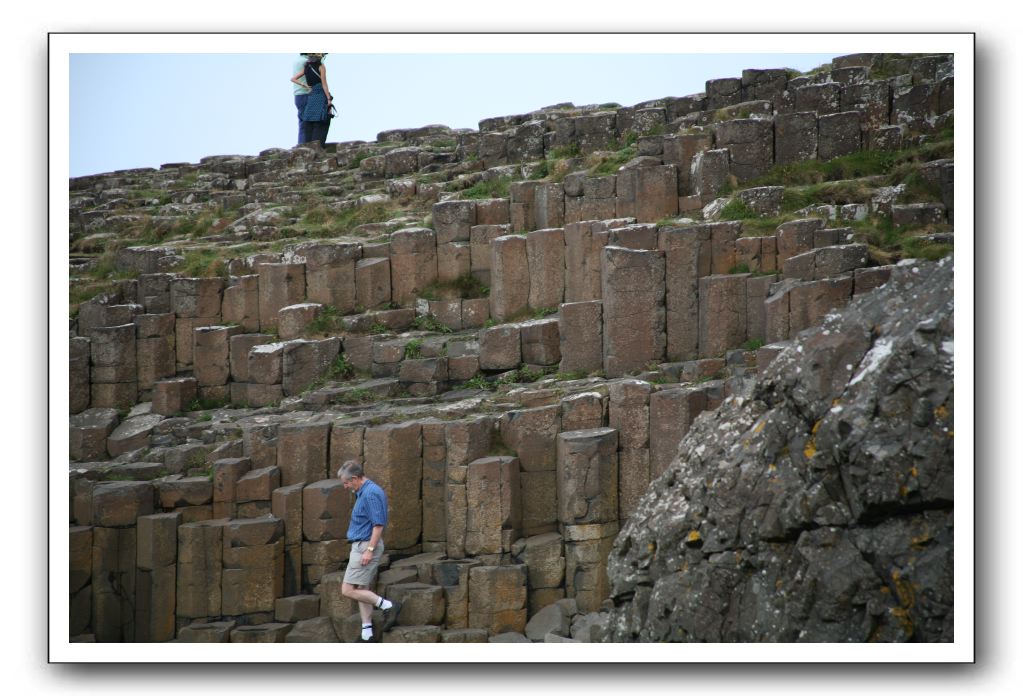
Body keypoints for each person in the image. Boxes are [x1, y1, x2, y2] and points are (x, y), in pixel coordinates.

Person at [338, 460, 401, 642]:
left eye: (347, 482)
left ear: (356, 478)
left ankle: (388, 606)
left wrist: (369, 550)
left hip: (365, 546)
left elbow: (378, 524)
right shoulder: (362, 491)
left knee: (347, 590)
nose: (345, 486)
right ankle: (367, 632)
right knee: (361, 587)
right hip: (361, 545)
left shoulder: (371, 493)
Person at [291, 53, 333, 147]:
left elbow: (293, 79)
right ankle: (318, 145)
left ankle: (305, 146)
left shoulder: (306, 66)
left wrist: (305, 85)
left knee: (309, 120)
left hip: (311, 93)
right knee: (322, 118)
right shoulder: (321, 66)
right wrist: (329, 99)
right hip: (320, 94)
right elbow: (324, 84)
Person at [291, 53, 312, 145]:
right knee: (307, 122)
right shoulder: (306, 61)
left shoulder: (296, 61)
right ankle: (304, 145)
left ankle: (302, 144)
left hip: (298, 94)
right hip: (306, 93)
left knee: (302, 121)